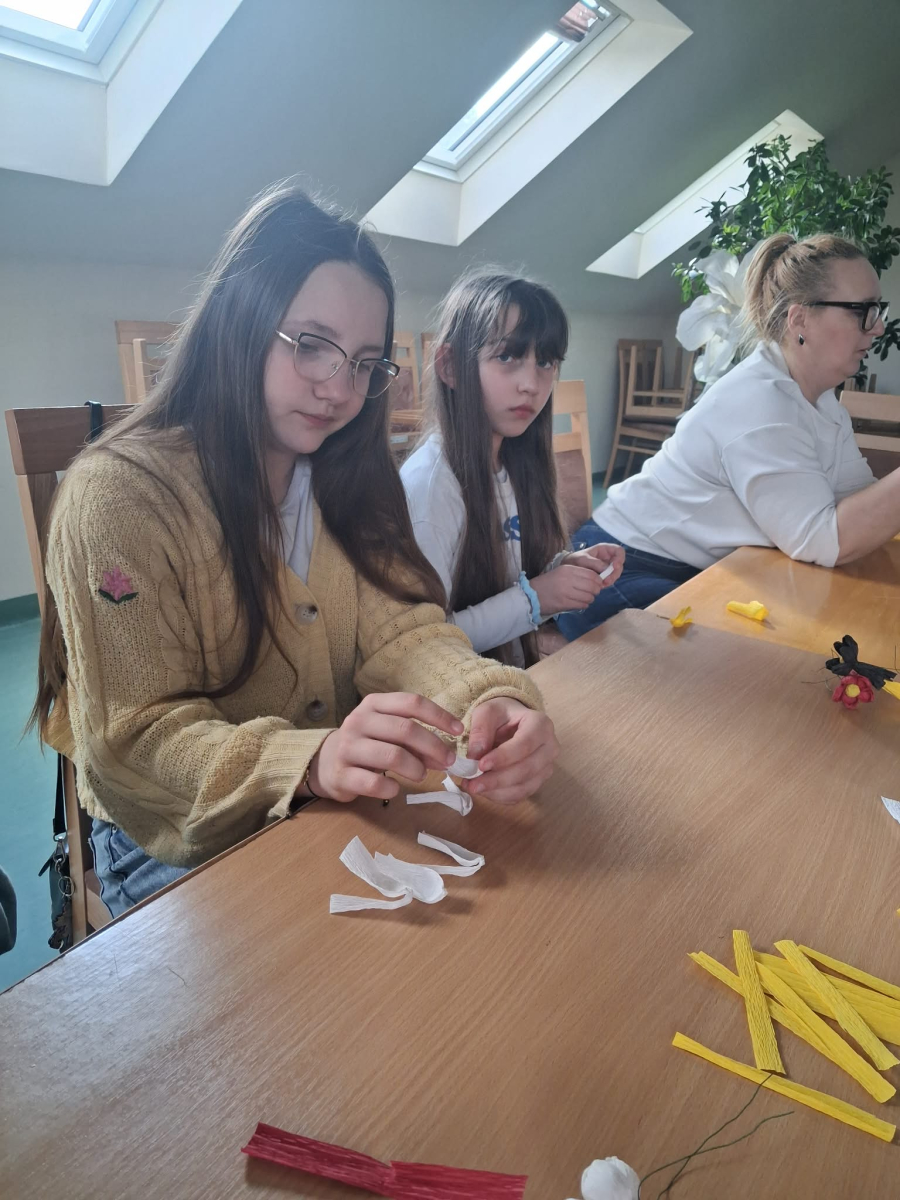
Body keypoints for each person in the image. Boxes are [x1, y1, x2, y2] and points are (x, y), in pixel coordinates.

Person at [31, 185, 558, 917]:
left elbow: (405, 631)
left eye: (365, 363)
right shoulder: (119, 496)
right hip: (168, 835)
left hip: (321, 803)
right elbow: (135, 737)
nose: (338, 389)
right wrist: (307, 758)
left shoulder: (349, 476)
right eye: (311, 344)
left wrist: (487, 697)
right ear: (239, 320)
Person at [556, 232, 893, 641]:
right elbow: (823, 540)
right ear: (800, 319)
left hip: (696, 565)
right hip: (621, 568)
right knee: (752, 657)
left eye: (878, 309)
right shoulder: (762, 403)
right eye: (863, 311)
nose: (877, 328)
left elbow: (858, 501)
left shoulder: (821, 401)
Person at [401, 270, 624, 666]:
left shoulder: (514, 462)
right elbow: (420, 643)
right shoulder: (430, 486)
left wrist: (562, 569)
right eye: (507, 357)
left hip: (511, 679)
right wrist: (537, 598)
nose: (531, 384)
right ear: (450, 366)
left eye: (546, 362)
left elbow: (506, 574)